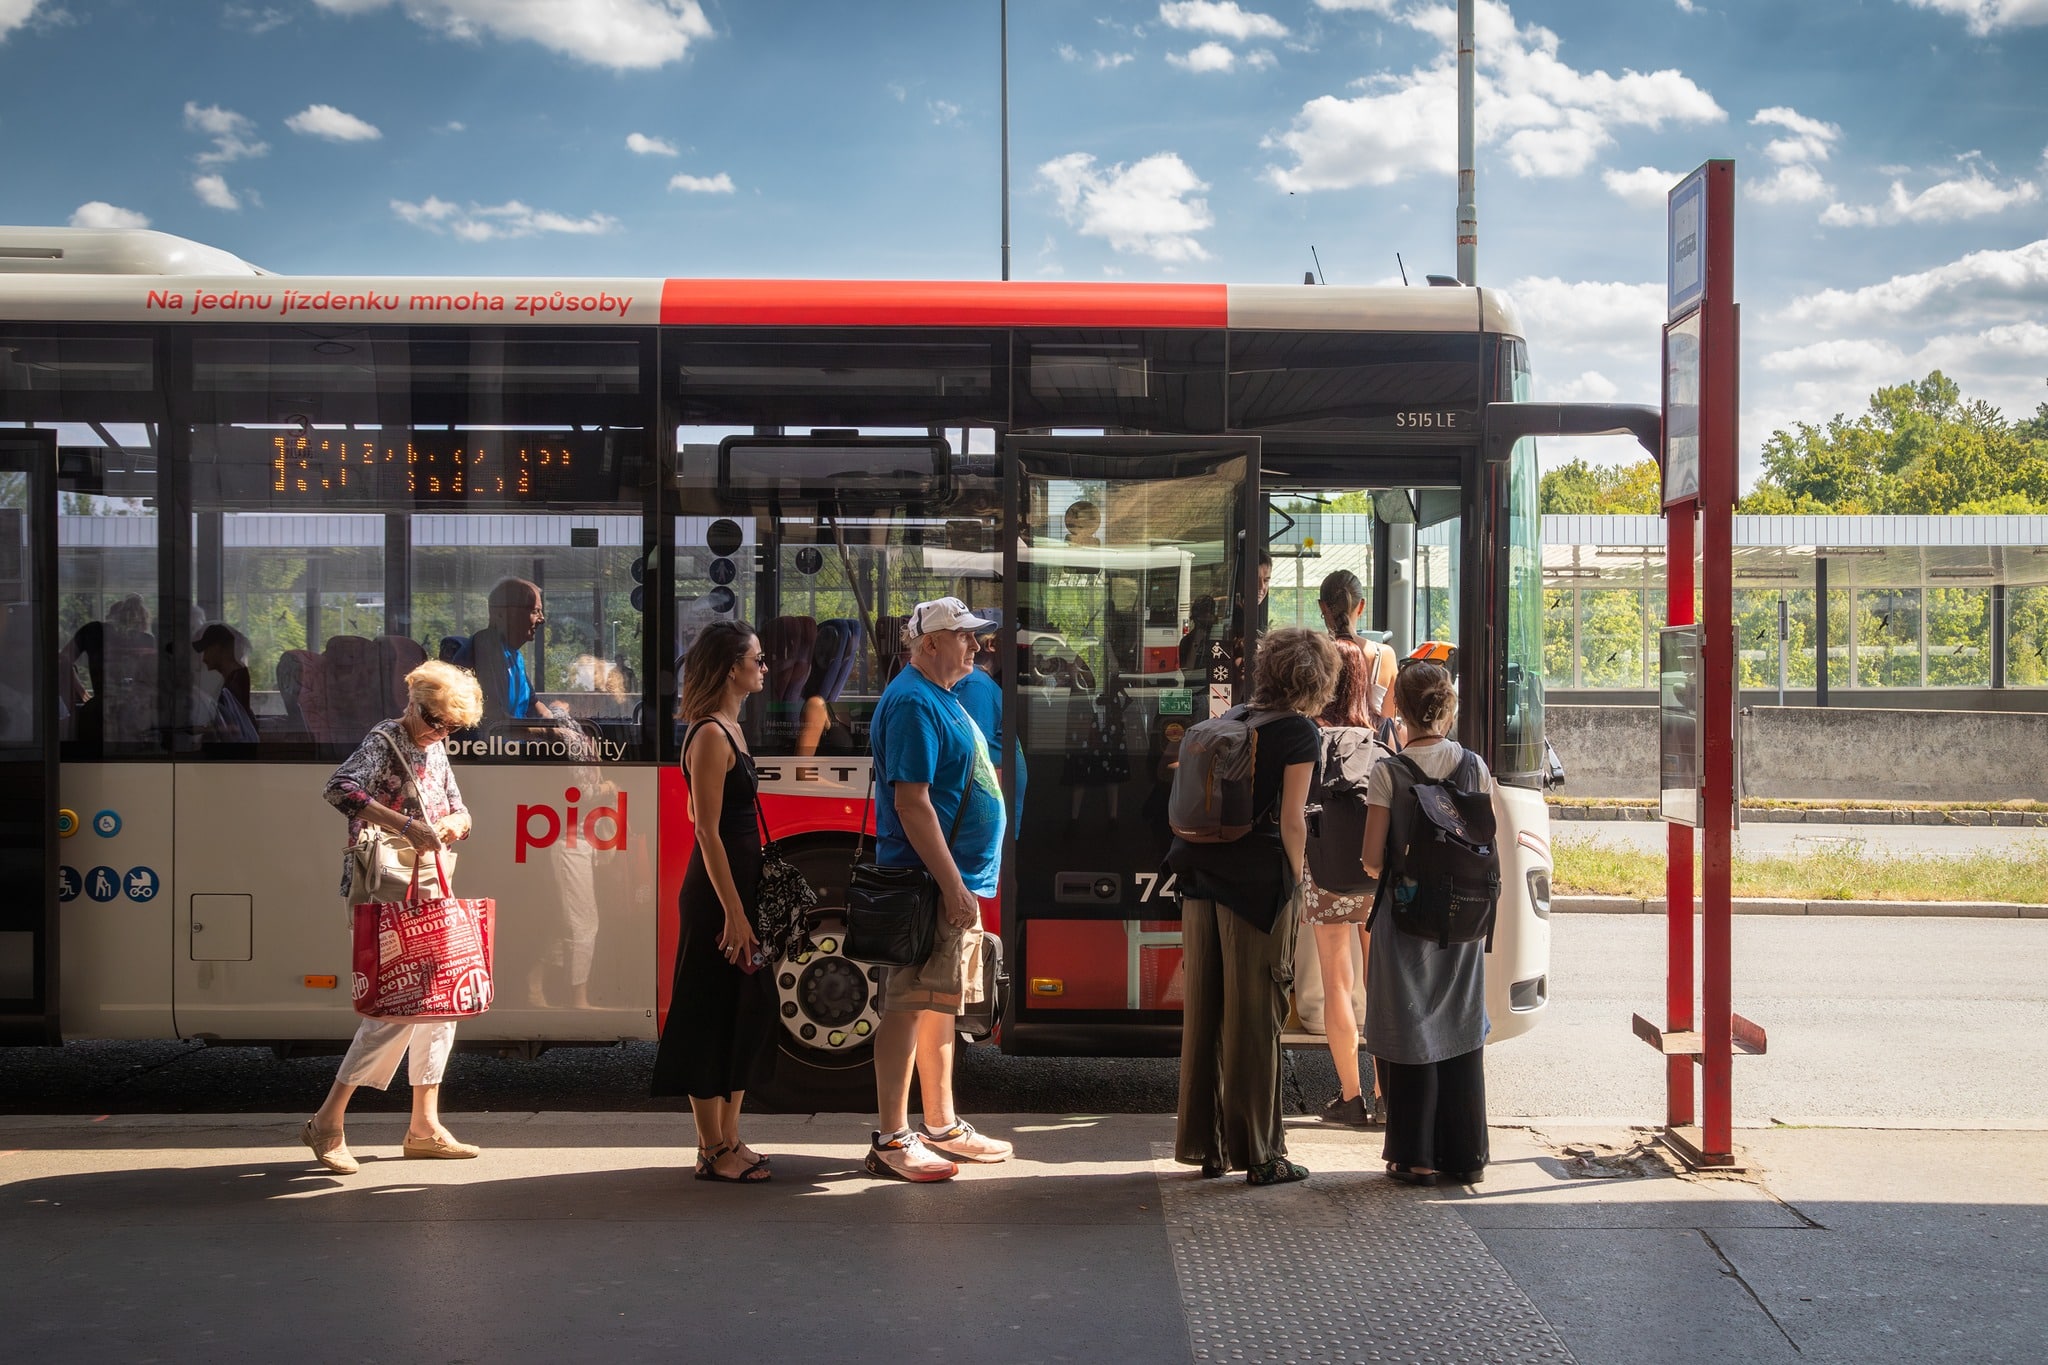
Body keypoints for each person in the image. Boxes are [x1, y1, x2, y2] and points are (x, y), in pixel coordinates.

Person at [1166, 626, 1339, 1186]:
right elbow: (1292, 820)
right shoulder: (1298, 733)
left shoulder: (1237, 716)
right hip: (1256, 888)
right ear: (1317, 679)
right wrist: (1298, 882)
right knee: (1256, 1018)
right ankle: (1262, 1154)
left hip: (1199, 876)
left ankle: (1207, 1146)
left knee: (1207, 1015)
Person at [302, 660, 484, 1174]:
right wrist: (407, 824)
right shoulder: (386, 739)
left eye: (450, 726)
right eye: (433, 719)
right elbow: (339, 789)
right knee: (395, 1004)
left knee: (441, 1001)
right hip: (385, 885)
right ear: (413, 701)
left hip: (427, 882)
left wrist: (452, 824)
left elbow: (460, 809)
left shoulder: (435, 745)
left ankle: (424, 1128)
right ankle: (327, 1121)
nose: (438, 731)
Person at [865, 597, 1014, 1182]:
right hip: (928, 883)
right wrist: (953, 885)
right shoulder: (911, 702)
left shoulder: (936, 696)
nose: (976, 645)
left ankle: (942, 1124)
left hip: (946, 882)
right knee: (905, 1007)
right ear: (928, 644)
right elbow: (912, 803)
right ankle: (892, 1138)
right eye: (963, 636)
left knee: (938, 1006)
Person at [650, 619, 779, 1183]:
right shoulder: (709, 734)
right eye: (757, 659)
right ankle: (710, 1148)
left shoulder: (731, 728)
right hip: (718, 899)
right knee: (707, 1013)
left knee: (742, 1013)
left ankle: (730, 1138)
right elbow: (706, 831)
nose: (765, 667)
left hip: (739, 891)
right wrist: (733, 912)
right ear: (732, 668)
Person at [1361, 660, 1491, 1188]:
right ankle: (1464, 1155)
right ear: (1448, 706)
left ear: (1400, 708)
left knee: (1409, 1023)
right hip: (1464, 916)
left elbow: (1372, 859)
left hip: (1406, 915)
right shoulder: (1475, 767)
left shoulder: (1388, 772)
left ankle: (1414, 1155)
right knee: (1460, 1024)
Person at [1302, 570, 1390, 1128]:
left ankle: (1351, 1097)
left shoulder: (1313, 675)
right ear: (1359, 607)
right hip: (1375, 856)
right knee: (1379, 976)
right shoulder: (1379, 664)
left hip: (1328, 856)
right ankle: (1389, 1094)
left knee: (1337, 978)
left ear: (1322, 606)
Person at [458, 577, 567, 725]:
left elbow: (534, 705)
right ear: (501, 614)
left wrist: (556, 716)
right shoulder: (486, 649)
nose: (542, 619)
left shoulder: (514, 656)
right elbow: (497, 722)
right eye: (535, 611)